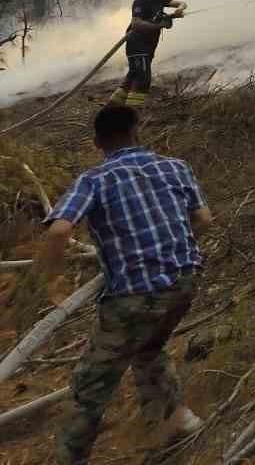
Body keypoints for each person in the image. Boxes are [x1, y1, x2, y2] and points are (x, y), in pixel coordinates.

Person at [38, 105, 212, 463]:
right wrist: (170, 246)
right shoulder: (175, 166)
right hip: (184, 283)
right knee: (148, 347)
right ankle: (179, 418)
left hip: (135, 296)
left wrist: (48, 283)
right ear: (137, 131)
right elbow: (204, 219)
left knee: (90, 385)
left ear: (98, 142)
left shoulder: (95, 180)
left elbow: (58, 230)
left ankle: (69, 459)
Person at [111, 0, 185, 109]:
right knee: (143, 80)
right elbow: (137, 24)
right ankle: (131, 112)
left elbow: (182, 3)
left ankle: (113, 107)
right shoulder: (141, 1)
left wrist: (179, 9)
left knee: (133, 76)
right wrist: (160, 24)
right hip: (137, 45)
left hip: (148, 46)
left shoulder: (161, 0)